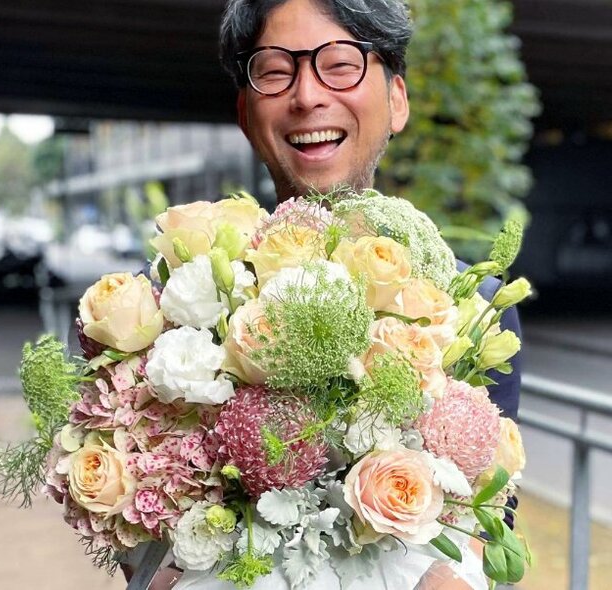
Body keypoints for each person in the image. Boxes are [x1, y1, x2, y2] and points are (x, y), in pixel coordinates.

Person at [131, 0, 521, 587]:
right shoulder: (166, 308)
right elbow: (135, 527)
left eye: (340, 64)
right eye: (275, 69)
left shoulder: (475, 313)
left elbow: (488, 526)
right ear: (244, 109)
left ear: (397, 100)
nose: (308, 95)